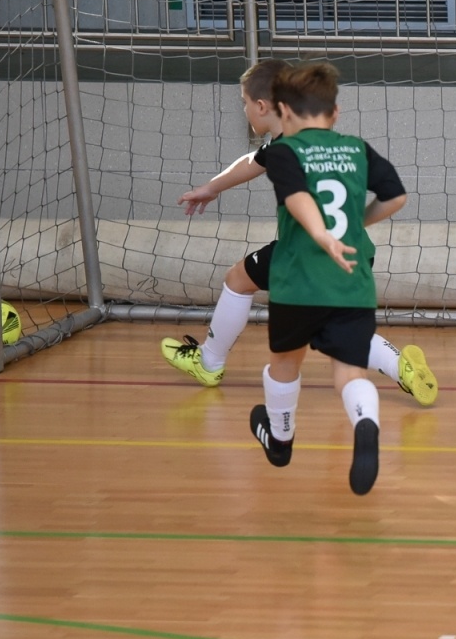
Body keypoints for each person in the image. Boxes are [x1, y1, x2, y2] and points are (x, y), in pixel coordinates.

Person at [160, 58, 436, 407]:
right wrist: (211, 187)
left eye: (245, 103)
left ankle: (210, 362)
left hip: (303, 253)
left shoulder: (285, 150)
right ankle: (401, 366)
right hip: (352, 250)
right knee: (340, 327)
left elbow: (280, 184)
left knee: (239, 281)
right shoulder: (329, 143)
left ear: (263, 106)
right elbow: (252, 162)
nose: (244, 110)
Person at [246, 61, 407, 495]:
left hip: (298, 284)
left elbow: (297, 196)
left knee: (285, 363)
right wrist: (353, 225)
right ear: (335, 112)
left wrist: (320, 234)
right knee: (350, 373)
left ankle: (281, 440)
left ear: (283, 110)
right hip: (352, 281)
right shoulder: (357, 149)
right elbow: (396, 196)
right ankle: (366, 423)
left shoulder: (285, 151)